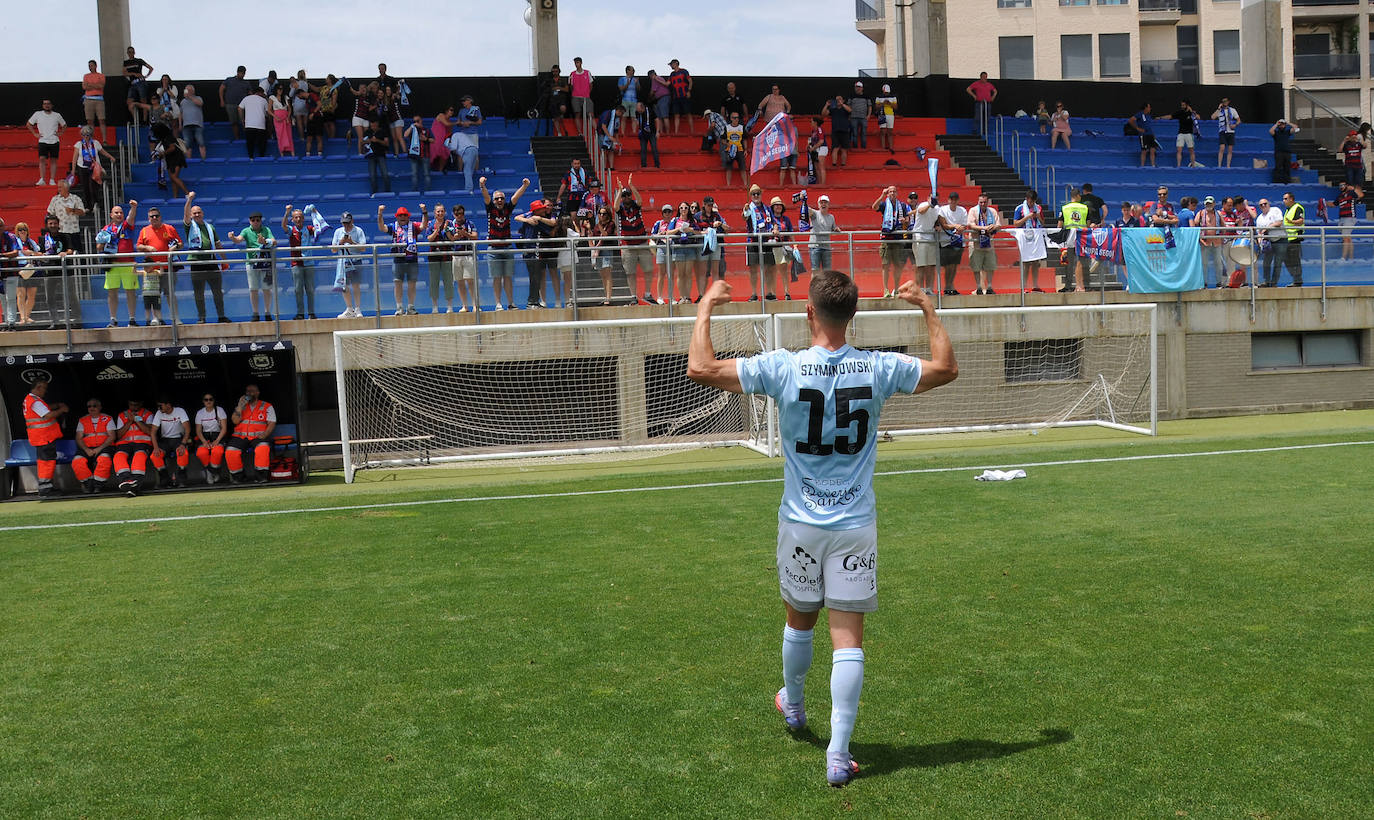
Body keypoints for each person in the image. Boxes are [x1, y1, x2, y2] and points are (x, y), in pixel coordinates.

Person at [685, 270, 957, 789]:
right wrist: (926, 306)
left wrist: (705, 306)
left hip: (801, 524)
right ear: (852, 316)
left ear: (810, 313)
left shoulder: (784, 368)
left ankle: (794, 704)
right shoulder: (877, 367)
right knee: (848, 641)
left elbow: (700, 366)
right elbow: (945, 368)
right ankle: (837, 753)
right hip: (855, 525)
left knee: (799, 621)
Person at [481, 176, 530, 311]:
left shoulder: (508, 208)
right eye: (497, 198)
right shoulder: (490, 209)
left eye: (502, 198)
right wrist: (482, 185)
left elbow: (516, 197)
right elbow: (485, 196)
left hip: (507, 248)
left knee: (508, 277)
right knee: (497, 278)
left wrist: (524, 186)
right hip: (494, 249)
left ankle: (511, 303)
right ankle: (498, 303)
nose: (500, 200)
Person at [181, 193, 229, 323]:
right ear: (191, 215)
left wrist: (224, 260)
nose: (196, 215)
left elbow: (218, 245)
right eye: (194, 213)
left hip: (211, 261)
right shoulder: (189, 226)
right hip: (196, 262)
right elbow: (185, 215)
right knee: (199, 293)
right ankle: (201, 317)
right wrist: (189, 200)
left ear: (202, 213)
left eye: (198, 213)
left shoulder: (210, 227)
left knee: (217, 291)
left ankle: (221, 316)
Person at [22, 378, 68, 498]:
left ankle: (46, 486)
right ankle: (45, 488)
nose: (45, 391)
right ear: (38, 387)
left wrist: (56, 405)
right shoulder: (35, 401)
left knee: (44, 461)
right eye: (44, 388)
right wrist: (61, 409)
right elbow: (48, 415)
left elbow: (46, 408)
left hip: (40, 436)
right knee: (47, 461)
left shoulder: (31, 399)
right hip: (44, 436)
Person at [134, 206, 181, 325]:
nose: (154, 218)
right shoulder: (144, 230)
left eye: (156, 216)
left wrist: (175, 247)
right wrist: (147, 247)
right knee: (154, 295)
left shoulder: (169, 228)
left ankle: (175, 318)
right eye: (152, 216)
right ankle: (156, 318)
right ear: (148, 218)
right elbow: (138, 246)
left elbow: (180, 243)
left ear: (160, 217)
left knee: (170, 293)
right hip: (151, 271)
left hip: (167, 267)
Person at [379, 204, 428, 315]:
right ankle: (399, 307)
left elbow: (423, 225)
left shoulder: (413, 226)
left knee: (412, 283)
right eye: (400, 215)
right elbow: (382, 228)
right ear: (397, 217)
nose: (402, 217)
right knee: (398, 283)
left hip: (412, 258)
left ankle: (411, 307)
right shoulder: (393, 226)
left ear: (408, 216)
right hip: (398, 258)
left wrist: (424, 212)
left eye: (405, 215)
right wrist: (380, 214)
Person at [97, 200, 139, 327]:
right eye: (116, 212)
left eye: (121, 212)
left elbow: (131, 217)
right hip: (112, 265)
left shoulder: (127, 225)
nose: (119, 214)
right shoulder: (106, 229)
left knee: (130, 291)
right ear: (111, 215)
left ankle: (132, 319)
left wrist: (133, 207)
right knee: (112, 292)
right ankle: (113, 319)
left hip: (128, 263)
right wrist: (105, 240)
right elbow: (99, 247)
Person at [228, 212, 277, 322]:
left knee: (266, 288)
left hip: (265, 262)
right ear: (250, 221)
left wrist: (265, 241)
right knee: (253, 289)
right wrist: (232, 238)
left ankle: (267, 312)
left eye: (257, 220)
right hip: (251, 263)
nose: (255, 222)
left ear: (261, 220)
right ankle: (255, 313)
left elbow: (274, 241)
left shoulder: (266, 230)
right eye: (253, 220)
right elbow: (239, 239)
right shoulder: (246, 231)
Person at [615, 174, 654, 304]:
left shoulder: (635, 206)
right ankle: (633, 297)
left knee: (648, 269)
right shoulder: (620, 208)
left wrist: (631, 186)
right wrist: (620, 191)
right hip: (628, 245)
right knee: (630, 273)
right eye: (624, 196)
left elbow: (640, 200)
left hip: (642, 242)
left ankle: (648, 294)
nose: (626, 198)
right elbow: (614, 207)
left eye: (628, 195)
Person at [227, 384, 277, 484]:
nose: (249, 393)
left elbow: (272, 422)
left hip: (258, 436)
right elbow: (235, 421)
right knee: (231, 451)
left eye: (252, 391)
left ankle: (260, 476)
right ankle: (238, 477)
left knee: (262, 448)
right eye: (247, 391)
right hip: (240, 436)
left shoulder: (267, 406)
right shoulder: (241, 406)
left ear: (257, 393)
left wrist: (265, 434)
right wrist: (240, 406)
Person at [514, 199, 559, 308]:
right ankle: (532, 302)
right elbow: (517, 217)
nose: (544, 210)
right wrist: (528, 220)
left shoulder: (536, 217)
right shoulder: (534, 219)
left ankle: (534, 301)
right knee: (535, 277)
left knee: (536, 277)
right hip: (533, 252)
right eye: (541, 209)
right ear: (536, 210)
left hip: (532, 252)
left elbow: (553, 223)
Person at [281, 205, 319, 320]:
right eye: (296, 217)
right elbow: (283, 226)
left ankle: (311, 313)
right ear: (292, 219)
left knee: (310, 289)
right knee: (298, 289)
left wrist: (314, 211)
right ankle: (300, 313)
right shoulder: (291, 230)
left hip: (309, 263)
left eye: (300, 217)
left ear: (303, 218)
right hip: (296, 264)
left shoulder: (308, 229)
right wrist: (287, 213)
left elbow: (319, 228)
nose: (298, 219)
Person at [872, 186, 910, 298]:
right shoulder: (884, 204)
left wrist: (905, 221)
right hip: (887, 238)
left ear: (897, 193)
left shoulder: (902, 205)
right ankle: (886, 289)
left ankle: (897, 289)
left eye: (894, 191)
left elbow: (907, 220)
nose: (892, 193)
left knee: (898, 265)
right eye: (890, 192)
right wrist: (882, 196)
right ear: (887, 194)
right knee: (885, 264)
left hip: (898, 238)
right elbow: (874, 207)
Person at [72, 397, 115, 493]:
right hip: (86, 448)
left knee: (104, 459)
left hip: (104, 447)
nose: (92, 408)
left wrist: (98, 449)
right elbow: (78, 438)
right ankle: (88, 484)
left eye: (94, 406)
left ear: (100, 407)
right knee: (77, 461)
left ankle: (98, 485)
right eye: (89, 406)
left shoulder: (107, 418)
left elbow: (112, 436)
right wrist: (86, 449)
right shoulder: (83, 420)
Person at [113, 397, 155, 496]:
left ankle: (135, 486)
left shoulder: (147, 414)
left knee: (139, 456)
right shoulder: (122, 415)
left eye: (136, 405)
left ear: (141, 404)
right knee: (118, 456)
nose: (133, 407)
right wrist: (129, 421)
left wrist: (136, 420)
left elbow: (149, 431)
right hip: (124, 444)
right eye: (131, 404)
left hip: (142, 443)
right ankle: (126, 481)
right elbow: (118, 435)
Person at [148, 397, 192, 488]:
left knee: (183, 453)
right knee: (154, 456)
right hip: (165, 440)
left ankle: (182, 479)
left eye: (160, 406)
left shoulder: (180, 411)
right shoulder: (159, 413)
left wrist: (183, 444)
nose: (159, 408)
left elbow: (187, 429)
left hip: (179, 439)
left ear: (168, 405)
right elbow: (153, 432)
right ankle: (164, 479)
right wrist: (155, 448)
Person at [331, 212, 368, 318]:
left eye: (348, 223)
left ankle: (357, 309)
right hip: (343, 262)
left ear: (352, 221)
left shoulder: (358, 230)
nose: (346, 225)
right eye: (344, 223)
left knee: (356, 285)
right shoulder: (338, 232)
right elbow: (333, 249)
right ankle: (349, 308)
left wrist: (352, 242)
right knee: (344, 286)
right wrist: (341, 243)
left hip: (356, 261)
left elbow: (363, 248)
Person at [1012, 189, 1047, 292]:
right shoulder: (1019, 209)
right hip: (1024, 238)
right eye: (1031, 202)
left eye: (1034, 202)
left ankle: (1035, 285)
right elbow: (1016, 223)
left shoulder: (1039, 208)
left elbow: (1043, 223)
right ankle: (1023, 287)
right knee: (1026, 263)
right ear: (1027, 199)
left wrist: (1038, 217)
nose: (1032, 204)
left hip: (1035, 238)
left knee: (1036, 263)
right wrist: (1027, 217)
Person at [966, 193, 1001, 295]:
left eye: (984, 202)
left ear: (987, 202)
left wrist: (992, 227)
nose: (982, 204)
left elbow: (999, 225)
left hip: (989, 243)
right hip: (976, 243)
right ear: (978, 202)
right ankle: (978, 287)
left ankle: (989, 286)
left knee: (990, 266)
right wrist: (983, 228)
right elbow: (971, 225)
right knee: (976, 267)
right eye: (980, 202)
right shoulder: (973, 211)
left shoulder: (992, 211)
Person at [26, 99, 66, 187]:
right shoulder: (37, 114)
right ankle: (42, 179)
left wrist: (60, 133)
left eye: (48, 104)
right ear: (42, 105)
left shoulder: (57, 115)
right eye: (45, 104)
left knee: (53, 160)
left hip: (54, 140)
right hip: (43, 140)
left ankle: (52, 180)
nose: (46, 105)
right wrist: (34, 133)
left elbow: (64, 125)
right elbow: (28, 124)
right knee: (42, 159)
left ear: (52, 105)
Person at [935, 192, 968, 296]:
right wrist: (956, 226)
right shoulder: (943, 210)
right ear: (949, 200)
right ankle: (947, 287)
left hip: (958, 241)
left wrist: (958, 228)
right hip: (946, 241)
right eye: (951, 199)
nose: (953, 201)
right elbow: (944, 224)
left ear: (957, 200)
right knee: (948, 266)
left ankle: (950, 286)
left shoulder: (962, 210)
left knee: (954, 266)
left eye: (955, 199)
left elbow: (963, 225)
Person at [667, 202, 700, 304]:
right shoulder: (675, 220)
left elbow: (698, 231)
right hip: (678, 248)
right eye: (681, 208)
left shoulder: (692, 220)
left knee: (688, 274)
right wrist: (678, 229)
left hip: (690, 248)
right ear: (679, 209)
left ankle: (688, 297)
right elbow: (668, 232)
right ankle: (682, 297)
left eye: (686, 207)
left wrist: (689, 229)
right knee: (681, 274)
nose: (683, 209)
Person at [1057, 188, 1089, 293]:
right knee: (1082, 262)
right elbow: (1088, 225)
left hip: (1069, 238)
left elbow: (1059, 225)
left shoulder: (1065, 208)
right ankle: (1085, 285)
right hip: (1082, 237)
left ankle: (1068, 286)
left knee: (1068, 263)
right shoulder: (1085, 208)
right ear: (1078, 195)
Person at [426, 204, 456, 314]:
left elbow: (452, 239)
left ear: (444, 212)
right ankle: (435, 306)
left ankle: (450, 306)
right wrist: (437, 230)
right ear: (434, 213)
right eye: (438, 211)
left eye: (442, 211)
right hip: (434, 256)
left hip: (446, 255)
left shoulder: (450, 223)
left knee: (448, 281)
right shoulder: (430, 224)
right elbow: (429, 239)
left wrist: (446, 230)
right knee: (434, 281)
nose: (440, 213)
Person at [450, 204, 480, 313]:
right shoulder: (450, 224)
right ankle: (464, 305)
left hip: (468, 255)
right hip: (456, 255)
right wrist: (455, 237)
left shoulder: (469, 223)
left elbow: (475, 236)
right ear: (454, 214)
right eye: (457, 214)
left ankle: (475, 305)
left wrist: (465, 233)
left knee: (470, 281)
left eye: (461, 213)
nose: (459, 216)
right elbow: (449, 238)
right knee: (460, 282)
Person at [1192, 196, 1227, 289]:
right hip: (1205, 242)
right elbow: (1194, 225)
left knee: (1218, 263)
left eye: (1210, 203)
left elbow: (1224, 226)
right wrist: (1199, 237)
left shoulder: (1218, 214)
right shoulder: (1200, 213)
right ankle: (1204, 283)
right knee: (1204, 263)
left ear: (1214, 204)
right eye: (1207, 204)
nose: (1209, 205)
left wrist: (1222, 237)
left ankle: (1219, 282)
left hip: (1216, 242)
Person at [195, 393, 229, 484]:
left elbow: (224, 428)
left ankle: (213, 471)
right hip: (205, 437)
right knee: (201, 452)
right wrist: (204, 441)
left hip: (218, 435)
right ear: (203, 401)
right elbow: (198, 430)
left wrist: (217, 440)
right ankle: (211, 473)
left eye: (210, 399)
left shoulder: (220, 410)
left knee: (217, 451)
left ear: (213, 400)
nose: (208, 401)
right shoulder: (200, 413)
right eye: (206, 400)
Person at [46, 179, 85, 256]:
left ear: (66, 188)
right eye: (58, 187)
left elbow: (82, 212)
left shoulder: (75, 198)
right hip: (60, 232)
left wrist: (72, 210)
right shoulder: (55, 199)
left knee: (77, 253)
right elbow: (50, 213)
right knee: (62, 253)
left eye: (60, 187)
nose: (58, 189)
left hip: (73, 231)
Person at [1254, 197, 1285, 288]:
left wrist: (1267, 228)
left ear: (1269, 204)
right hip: (1268, 242)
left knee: (1277, 262)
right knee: (1266, 262)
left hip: (1280, 240)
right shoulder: (1259, 218)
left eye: (1265, 204)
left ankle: (1274, 282)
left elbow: (1279, 223)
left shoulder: (1275, 210)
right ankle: (1266, 281)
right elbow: (1259, 233)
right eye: (1261, 205)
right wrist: (1260, 243)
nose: (1263, 206)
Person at [220, 65, 253, 141]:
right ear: (238, 72)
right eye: (241, 73)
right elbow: (221, 89)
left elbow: (250, 93)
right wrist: (222, 100)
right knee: (234, 122)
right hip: (230, 104)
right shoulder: (229, 80)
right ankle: (237, 138)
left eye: (244, 73)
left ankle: (248, 138)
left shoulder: (246, 83)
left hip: (242, 106)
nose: (242, 75)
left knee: (244, 122)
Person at [807, 195, 837, 273]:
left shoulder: (831, 217)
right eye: (821, 202)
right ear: (818, 205)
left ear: (828, 205)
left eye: (825, 202)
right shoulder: (815, 214)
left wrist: (836, 230)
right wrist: (803, 200)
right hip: (815, 246)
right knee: (815, 271)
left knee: (827, 272)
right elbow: (807, 210)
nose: (823, 204)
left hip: (826, 247)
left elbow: (833, 230)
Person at [1280, 191, 1305, 287]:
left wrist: (1292, 221)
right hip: (1287, 239)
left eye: (1285, 199)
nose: (1284, 201)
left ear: (1291, 199)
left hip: (1295, 238)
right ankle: (1295, 278)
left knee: (1295, 260)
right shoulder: (1288, 209)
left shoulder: (1298, 207)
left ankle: (1298, 281)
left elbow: (1301, 220)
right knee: (1286, 259)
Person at [122, 46, 153, 120]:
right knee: (129, 102)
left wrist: (146, 76)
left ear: (134, 52)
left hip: (140, 82)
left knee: (143, 101)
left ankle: (145, 119)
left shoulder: (139, 61)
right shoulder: (126, 62)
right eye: (129, 52)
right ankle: (136, 119)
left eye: (132, 52)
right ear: (127, 53)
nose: (131, 53)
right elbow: (124, 73)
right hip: (132, 83)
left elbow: (150, 68)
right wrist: (133, 74)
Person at [239, 87, 270, 159]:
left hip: (249, 125)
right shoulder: (263, 100)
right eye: (262, 93)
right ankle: (261, 158)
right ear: (259, 92)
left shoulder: (246, 98)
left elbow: (239, 108)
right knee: (262, 144)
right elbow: (267, 113)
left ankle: (251, 158)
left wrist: (242, 119)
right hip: (261, 125)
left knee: (250, 143)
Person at [404, 115, 432, 193]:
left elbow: (433, 140)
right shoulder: (412, 130)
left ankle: (428, 192)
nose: (416, 122)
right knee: (414, 174)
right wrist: (411, 126)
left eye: (417, 121)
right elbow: (405, 135)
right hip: (414, 155)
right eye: (414, 121)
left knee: (426, 174)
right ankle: (414, 192)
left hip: (425, 155)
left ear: (421, 121)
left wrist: (425, 139)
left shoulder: (426, 129)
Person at [363, 119, 391, 194]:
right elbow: (363, 142)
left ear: (377, 124)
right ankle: (374, 193)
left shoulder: (383, 132)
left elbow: (387, 143)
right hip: (371, 156)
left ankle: (388, 192)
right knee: (372, 176)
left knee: (385, 174)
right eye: (372, 125)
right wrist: (368, 141)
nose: (373, 127)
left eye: (374, 125)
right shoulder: (367, 132)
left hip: (381, 155)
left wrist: (377, 140)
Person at [82, 59, 107, 142]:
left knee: (102, 120)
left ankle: (104, 140)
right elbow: (84, 87)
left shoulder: (101, 75)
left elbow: (101, 86)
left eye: (91, 65)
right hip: (88, 99)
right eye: (89, 66)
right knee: (90, 121)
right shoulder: (86, 76)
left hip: (99, 99)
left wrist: (90, 85)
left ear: (96, 66)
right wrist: (95, 85)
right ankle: (91, 139)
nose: (90, 67)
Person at [1127, 103, 1160, 168]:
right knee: (1144, 151)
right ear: (1145, 108)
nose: (1150, 109)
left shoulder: (1149, 116)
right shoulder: (1139, 114)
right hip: (1143, 135)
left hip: (1150, 134)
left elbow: (1149, 126)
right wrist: (1137, 128)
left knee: (1153, 150)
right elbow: (1130, 120)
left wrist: (1153, 134)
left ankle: (1153, 165)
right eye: (1149, 107)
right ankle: (1142, 166)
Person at [180, 83, 207, 160]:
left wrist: (190, 97)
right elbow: (180, 113)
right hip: (186, 125)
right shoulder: (183, 101)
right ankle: (189, 161)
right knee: (187, 144)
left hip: (197, 124)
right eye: (186, 90)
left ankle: (203, 160)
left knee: (201, 142)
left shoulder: (198, 98)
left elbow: (200, 103)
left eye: (189, 90)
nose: (187, 91)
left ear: (193, 91)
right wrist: (180, 124)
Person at [722, 111, 749, 187]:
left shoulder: (742, 127)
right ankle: (728, 185)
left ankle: (745, 184)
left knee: (743, 168)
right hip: (730, 150)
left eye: (737, 117)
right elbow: (722, 139)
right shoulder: (727, 127)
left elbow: (744, 139)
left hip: (740, 150)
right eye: (734, 118)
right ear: (731, 118)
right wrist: (728, 144)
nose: (736, 119)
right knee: (729, 168)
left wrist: (746, 149)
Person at [569, 57, 594, 135]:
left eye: (578, 62)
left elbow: (591, 84)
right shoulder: (572, 74)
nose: (577, 64)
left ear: (581, 63)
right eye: (575, 63)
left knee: (590, 114)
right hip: (576, 96)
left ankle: (594, 130)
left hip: (586, 96)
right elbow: (571, 86)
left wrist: (587, 93)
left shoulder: (587, 72)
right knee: (577, 113)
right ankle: (580, 132)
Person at [668, 59, 694, 135]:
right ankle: (676, 132)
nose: (671, 66)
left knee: (688, 113)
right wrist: (656, 78)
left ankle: (692, 131)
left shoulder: (684, 71)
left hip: (684, 95)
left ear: (676, 63)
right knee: (676, 114)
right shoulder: (672, 74)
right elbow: (667, 83)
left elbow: (690, 81)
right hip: (676, 96)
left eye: (671, 64)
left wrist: (689, 91)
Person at [1213, 97, 1241, 168]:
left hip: (1231, 131)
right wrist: (1218, 108)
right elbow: (1213, 117)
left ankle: (1228, 165)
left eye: (1226, 101)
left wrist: (1235, 125)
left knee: (1230, 149)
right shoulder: (1220, 111)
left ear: (1228, 102)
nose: (1224, 103)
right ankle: (1219, 165)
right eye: (1223, 101)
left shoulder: (1232, 110)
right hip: (1222, 131)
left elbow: (1239, 120)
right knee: (1222, 147)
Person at [1270, 119, 1299, 185]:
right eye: (1281, 124)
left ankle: (1287, 181)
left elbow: (1295, 127)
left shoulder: (1287, 132)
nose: (1282, 126)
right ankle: (1277, 181)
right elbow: (1271, 131)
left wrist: (1287, 123)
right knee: (1278, 167)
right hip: (1279, 152)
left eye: (1283, 124)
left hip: (1287, 152)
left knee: (1287, 167)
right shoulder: (1276, 133)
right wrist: (1276, 124)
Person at [825, 95, 851, 168]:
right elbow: (823, 114)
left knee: (844, 149)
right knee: (835, 148)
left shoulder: (845, 108)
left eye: (840, 99)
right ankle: (834, 164)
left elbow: (850, 110)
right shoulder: (833, 109)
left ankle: (843, 164)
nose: (838, 101)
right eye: (837, 100)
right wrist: (826, 105)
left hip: (845, 131)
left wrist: (842, 104)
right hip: (835, 131)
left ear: (843, 100)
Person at [269, 84, 295, 157]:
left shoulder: (285, 97)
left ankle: (292, 153)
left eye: (281, 89)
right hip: (277, 118)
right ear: (276, 89)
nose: (280, 90)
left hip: (286, 117)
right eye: (279, 89)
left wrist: (288, 117)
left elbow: (289, 109)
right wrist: (275, 117)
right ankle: (282, 153)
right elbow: (269, 110)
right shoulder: (272, 97)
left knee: (289, 134)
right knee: (280, 135)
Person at [634, 100, 661, 169]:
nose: (638, 111)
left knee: (654, 148)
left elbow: (657, 120)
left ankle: (657, 165)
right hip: (642, 133)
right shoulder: (637, 112)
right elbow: (637, 120)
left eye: (639, 110)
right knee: (643, 149)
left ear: (642, 108)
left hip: (651, 132)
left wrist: (658, 131)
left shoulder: (650, 110)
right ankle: (643, 165)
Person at [1336, 181, 1359, 260]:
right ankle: (1351, 257)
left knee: (1345, 237)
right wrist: (1324, 203)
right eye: (1340, 185)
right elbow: (1333, 204)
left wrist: (1353, 189)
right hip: (1342, 218)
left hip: (1350, 217)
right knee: (1348, 238)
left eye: (1343, 185)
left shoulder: (1351, 193)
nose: (1341, 187)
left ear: (1347, 186)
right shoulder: (1340, 196)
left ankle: (1343, 257)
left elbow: (1360, 195)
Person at [847, 82, 871, 151]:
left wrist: (868, 115)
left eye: (859, 87)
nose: (857, 88)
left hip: (863, 118)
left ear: (862, 88)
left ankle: (863, 148)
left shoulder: (866, 96)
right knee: (854, 133)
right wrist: (849, 115)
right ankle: (855, 148)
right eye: (856, 87)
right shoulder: (851, 96)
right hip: (853, 117)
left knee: (863, 133)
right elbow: (848, 106)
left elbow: (869, 106)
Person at [874, 85, 896, 153]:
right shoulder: (878, 97)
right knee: (882, 132)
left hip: (890, 115)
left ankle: (891, 148)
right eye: (885, 92)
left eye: (887, 92)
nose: (886, 93)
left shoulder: (893, 97)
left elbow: (895, 107)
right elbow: (876, 107)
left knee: (890, 132)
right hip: (881, 114)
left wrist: (889, 103)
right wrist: (883, 103)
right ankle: (883, 148)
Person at [617, 66, 639, 135]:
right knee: (624, 117)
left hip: (634, 100)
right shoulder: (622, 79)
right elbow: (621, 89)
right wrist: (627, 83)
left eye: (634, 70)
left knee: (634, 117)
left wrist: (637, 83)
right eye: (632, 70)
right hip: (625, 99)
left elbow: (639, 89)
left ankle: (634, 132)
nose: (633, 72)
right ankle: (623, 133)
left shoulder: (635, 79)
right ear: (628, 71)